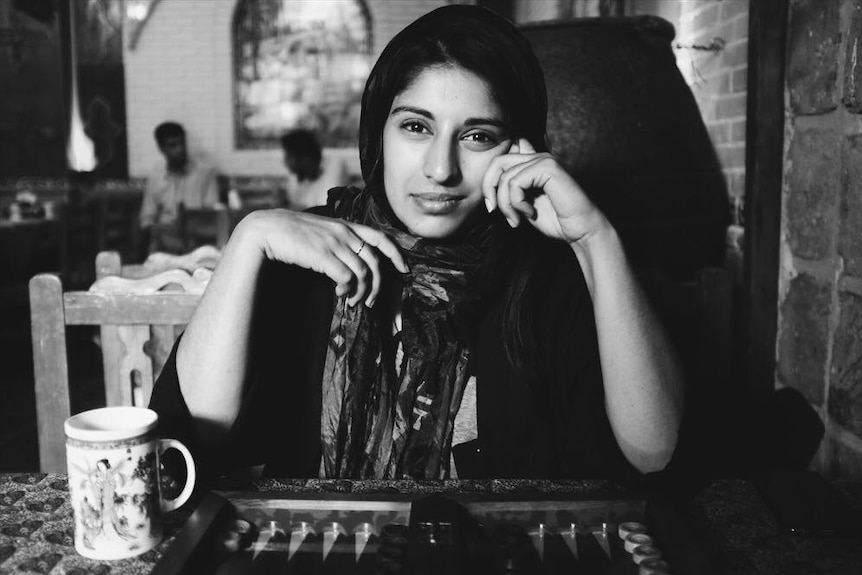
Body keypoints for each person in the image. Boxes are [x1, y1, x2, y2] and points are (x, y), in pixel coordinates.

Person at [150, 5, 684, 481]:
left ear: (518, 148)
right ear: (377, 132)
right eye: (416, 127)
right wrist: (248, 240)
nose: (440, 169)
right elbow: (195, 436)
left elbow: (654, 454)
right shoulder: (315, 249)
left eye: (477, 136)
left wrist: (595, 239)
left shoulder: (543, 266)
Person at [139, 121, 220, 254]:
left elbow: (212, 213)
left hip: (197, 238)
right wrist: (157, 233)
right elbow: (147, 217)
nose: (180, 149)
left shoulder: (205, 173)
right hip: (165, 238)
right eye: (173, 145)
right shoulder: (155, 177)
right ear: (161, 148)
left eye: (182, 143)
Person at [280, 128, 349, 211]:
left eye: (289, 157)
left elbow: (327, 209)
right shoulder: (298, 174)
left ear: (305, 158)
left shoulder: (334, 166)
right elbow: (294, 202)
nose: (286, 162)